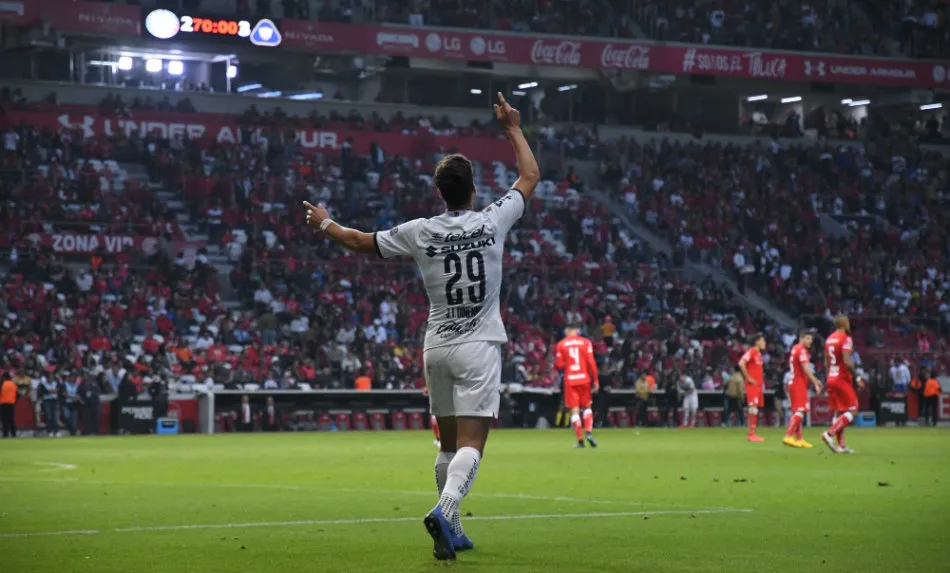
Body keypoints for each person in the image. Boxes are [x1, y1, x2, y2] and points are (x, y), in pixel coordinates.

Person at [303, 92, 539, 561]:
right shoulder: (492, 221)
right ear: (473, 189)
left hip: (436, 348)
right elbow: (529, 176)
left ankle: (452, 530)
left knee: (446, 443)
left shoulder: (419, 231)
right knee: (473, 444)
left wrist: (325, 222)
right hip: (478, 346)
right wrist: (512, 127)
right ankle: (444, 509)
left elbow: (358, 241)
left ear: (439, 193)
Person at [821, 315, 864, 454]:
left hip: (831, 377)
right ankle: (829, 434)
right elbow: (846, 360)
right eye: (848, 322)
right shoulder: (845, 338)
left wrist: (828, 377)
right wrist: (857, 377)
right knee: (853, 410)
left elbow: (826, 362)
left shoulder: (829, 339)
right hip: (841, 378)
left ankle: (841, 445)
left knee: (839, 411)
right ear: (844, 324)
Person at [554, 324, 600, 448]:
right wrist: (596, 380)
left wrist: (567, 363)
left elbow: (559, 365)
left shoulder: (561, 344)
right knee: (587, 406)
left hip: (570, 380)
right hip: (584, 379)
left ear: (569, 330)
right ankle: (589, 432)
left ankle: (580, 440)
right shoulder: (586, 342)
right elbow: (591, 362)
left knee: (574, 410)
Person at [783, 331, 823, 448]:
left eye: (811, 339)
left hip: (796, 382)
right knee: (800, 411)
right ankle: (788, 435)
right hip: (797, 384)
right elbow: (806, 368)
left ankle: (799, 438)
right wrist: (815, 381)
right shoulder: (801, 350)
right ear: (801, 338)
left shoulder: (795, 348)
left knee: (798, 411)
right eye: (808, 338)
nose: (810, 341)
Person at [738, 333, 767, 442]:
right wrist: (748, 378)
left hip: (758, 385)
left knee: (755, 409)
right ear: (757, 342)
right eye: (763, 341)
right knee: (752, 408)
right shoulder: (752, 352)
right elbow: (741, 363)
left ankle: (753, 433)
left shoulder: (758, 354)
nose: (764, 343)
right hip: (752, 385)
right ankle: (751, 434)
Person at [1, 372, 16, 438]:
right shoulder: (13, 384)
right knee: (11, 420)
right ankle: (13, 434)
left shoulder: (2, 384)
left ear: (4, 377)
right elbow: (17, 394)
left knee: (5, 420)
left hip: (3, 404)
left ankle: (5, 434)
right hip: (11, 404)